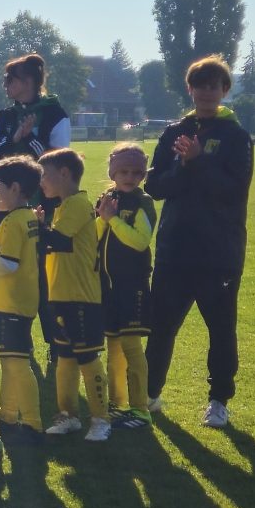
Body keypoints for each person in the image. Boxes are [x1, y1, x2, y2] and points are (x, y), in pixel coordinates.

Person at [144, 55, 254, 429]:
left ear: (224, 90)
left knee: (221, 328)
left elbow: (235, 189)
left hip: (219, 251)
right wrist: (184, 166)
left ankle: (219, 400)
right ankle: (149, 393)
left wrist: (198, 163)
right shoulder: (175, 132)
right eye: (200, 85)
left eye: (214, 85)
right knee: (161, 326)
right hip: (175, 247)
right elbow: (154, 185)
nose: (207, 92)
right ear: (189, 89)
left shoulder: (236, 136)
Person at [35, 149, 110, 441]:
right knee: (64, 357)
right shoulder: (63, 206)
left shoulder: (78, 204)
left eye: (44, 175)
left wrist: (33, 228)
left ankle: (101, 419)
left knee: (87, 357)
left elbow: (61, 242)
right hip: (60, 295)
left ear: (64, 173)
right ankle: (68, 416)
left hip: (82, 297)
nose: (41, 182)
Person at [96, 144, 157, 434]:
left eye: (136, 172)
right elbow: (95, 236)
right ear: (112, 172)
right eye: (123, 171)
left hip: (132, 286)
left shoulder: (143, 202)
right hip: (108, 288)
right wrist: (102, 217)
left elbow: (140, 241)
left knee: (132, 348)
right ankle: (118, 405)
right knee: (114, 348)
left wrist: (114, 220)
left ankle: (140, 409)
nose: (130, 177)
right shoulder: (107, 198)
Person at [0, 155, 45, 446]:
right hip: (22, 300)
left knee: (16, 363)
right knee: (11, 361)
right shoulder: (28, 217)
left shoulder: (11, 222)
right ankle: (8, 414)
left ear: (14, 188)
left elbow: (7, 265)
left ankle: (33, 422)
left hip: (10, 302)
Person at [0, 52, 72, 164]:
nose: (4, 85)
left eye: (9, 79)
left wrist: (29, 138)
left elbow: (56, 164)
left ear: (28, 82)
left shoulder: (56, 116)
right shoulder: (3, 117)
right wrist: (12, 140)